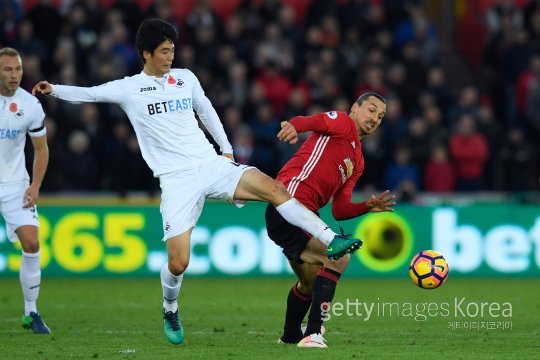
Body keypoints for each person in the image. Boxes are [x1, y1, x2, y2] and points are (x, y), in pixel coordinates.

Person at [31, 18, 362, 345]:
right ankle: (170, 307)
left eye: (172, 49)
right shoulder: (129, 88)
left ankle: (330, 237)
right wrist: (54, 90)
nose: (170, 56)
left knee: (277, 189)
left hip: (210, 164)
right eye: (164, 50)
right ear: (146, 53)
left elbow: (206, 111)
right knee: (179, 263)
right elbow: (89, 94)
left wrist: (227, 149)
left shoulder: (185, 78)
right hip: (177, 181)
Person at [266, 92, 395, 348]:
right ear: (354, 108)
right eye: (371, 110)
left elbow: (340, 210)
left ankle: (291, 335)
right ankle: (313, 333)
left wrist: (366, 207)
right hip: (289, 201)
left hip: (307, 216)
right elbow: (313, 121)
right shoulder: (343, 123)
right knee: (339, 256)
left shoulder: (358, 161)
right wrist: (293, 126)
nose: (375, 118)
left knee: (309, 282)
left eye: (380, 116)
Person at [0, 47, 50, 334]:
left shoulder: (30, 105)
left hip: (16, 185)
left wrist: (35, 184)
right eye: (8, 69)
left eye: (17, 69)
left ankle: (31, 312)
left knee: (32, 244)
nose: (14, 74)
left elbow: (41, 149)